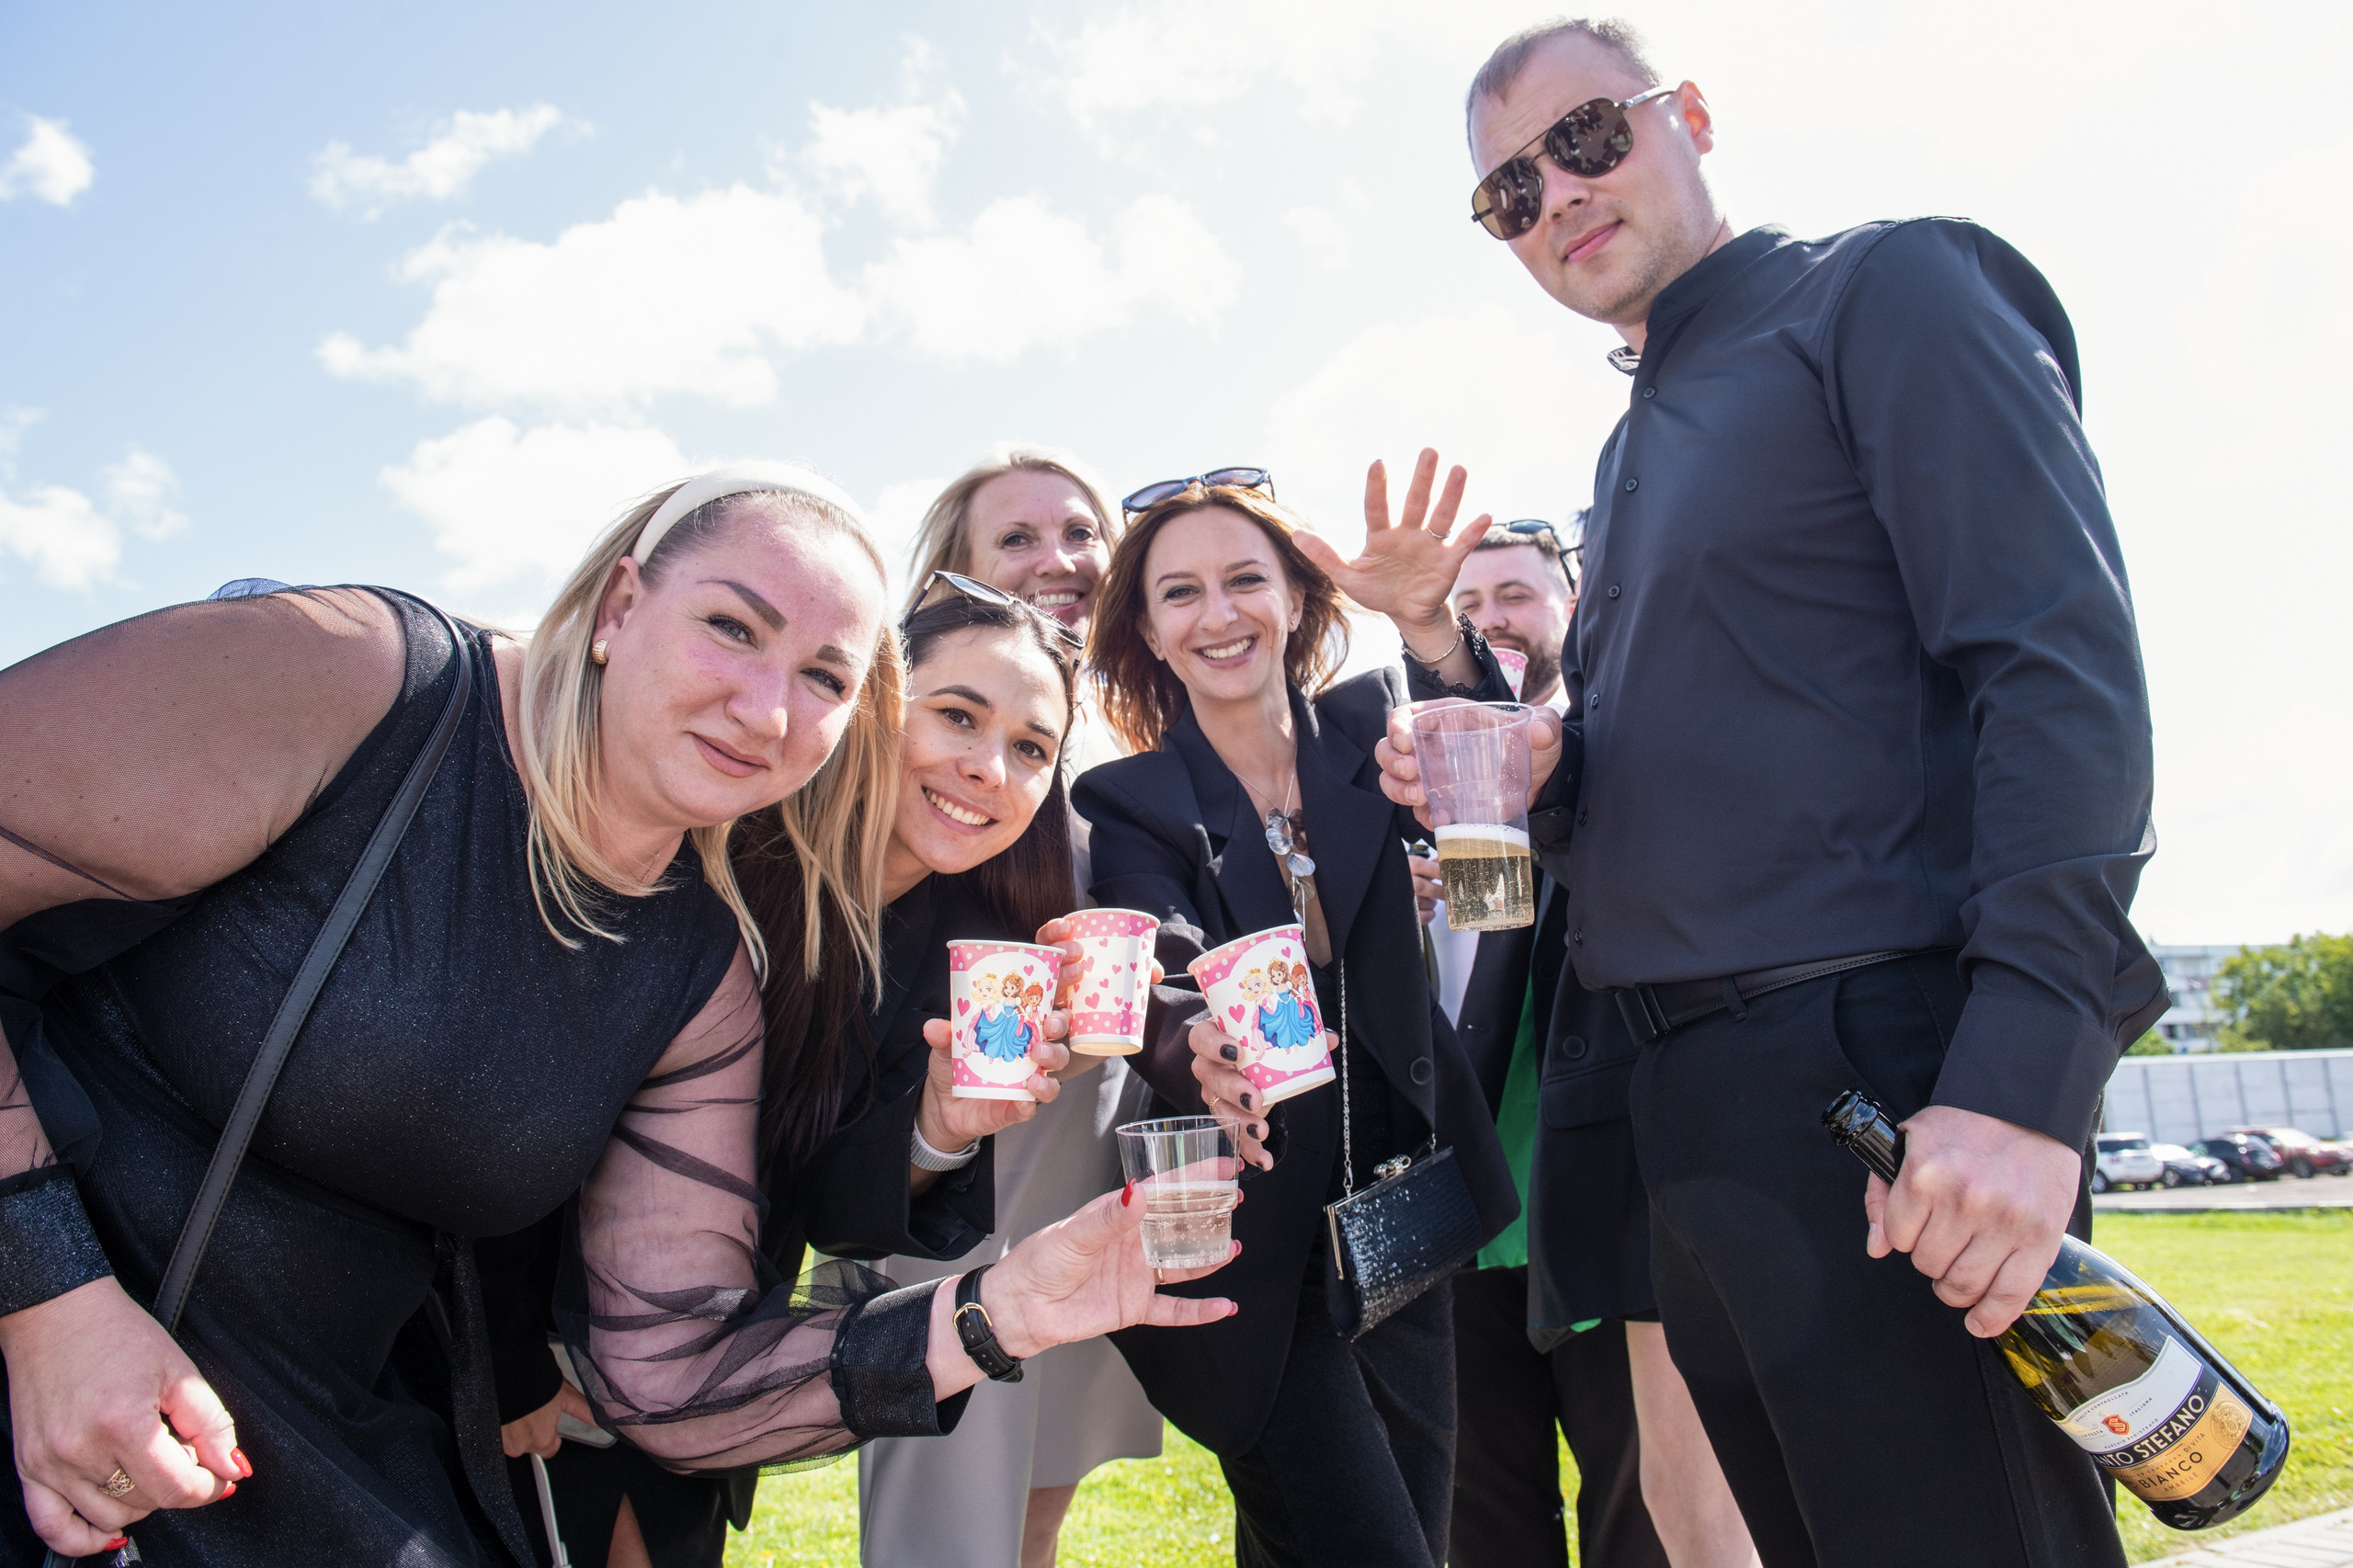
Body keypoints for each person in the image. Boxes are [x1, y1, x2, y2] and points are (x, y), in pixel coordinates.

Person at [0, 464, 1235, 1564]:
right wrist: (49, 1296)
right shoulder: (363, 679)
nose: (767, 707)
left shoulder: (705, 971)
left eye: (820, 675)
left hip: (309, 1430)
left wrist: (997, 1300)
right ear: (618, 605)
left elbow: (675, 1361)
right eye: (730, 629)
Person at [1381, 19, 2165, 1566]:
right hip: (1679, 1126)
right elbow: (1705, 767)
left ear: (1694, 119)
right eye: (1507, 195)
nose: (1557, 197)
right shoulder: (1630, 452)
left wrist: (2019, 1077)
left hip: (1876, 1087)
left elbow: (2057, 671)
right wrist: (1551, 772)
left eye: (1590, 137)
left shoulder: (1884, 289)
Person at [1073, 459, 1526, 1568]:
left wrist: (1426, 620)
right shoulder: (1131, 798)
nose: (1218, 613)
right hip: (1249, 1240)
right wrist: (1194, 1043)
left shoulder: (1376, 727)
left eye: (1244, 578)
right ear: (1147, 627)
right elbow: (1161, 957)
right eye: (1179, 592)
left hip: (1402, 1216)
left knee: (1409, 1526)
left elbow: (1497, 753)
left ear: (1295, 597)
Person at [1428, 515, 1754, 1567]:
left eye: (1514, 595)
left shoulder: (1631, 739)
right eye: (1467, 605)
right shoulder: (1408, 769)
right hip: (1463, 1218)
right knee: (1480, 1526)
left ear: (1571, 602)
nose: (1492, 622)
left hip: (1615, 1203)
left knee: (1648, 1519)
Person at [867, 455, 1164, 1568]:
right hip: (954, 1150)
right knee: (949, 1485)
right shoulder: (916, 743)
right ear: (955, 573)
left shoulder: (1106, 739)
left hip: (1081, 1151)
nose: (1060, 561)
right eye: (1018, 540)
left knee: (1043, 1484)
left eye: (1081, 532)